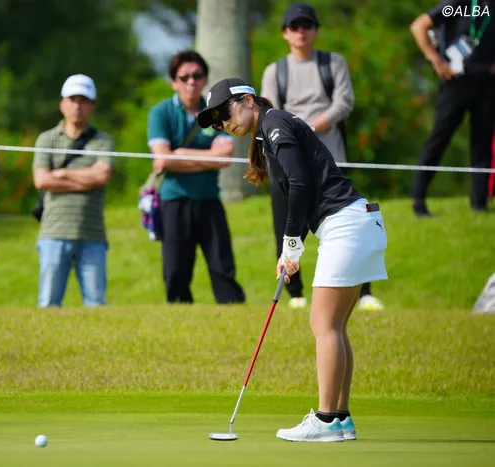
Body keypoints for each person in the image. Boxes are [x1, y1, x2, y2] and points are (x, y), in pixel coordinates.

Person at [197, 78, 388, 442]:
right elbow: (299, 189)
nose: (223, 123)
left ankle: (326, 420)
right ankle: (341, 419)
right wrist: (291, 249)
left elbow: (299, 183)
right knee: (335, 327)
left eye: (224, 112)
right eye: (216, 122)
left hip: (346, 225)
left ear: (247, 100)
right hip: (357, 223)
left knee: (323, 325)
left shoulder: (274, 121)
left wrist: (290, 241)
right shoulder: (266, 131)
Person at [260, 2, 384, 312]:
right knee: (285, 224)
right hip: (287, 158)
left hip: (329, 157)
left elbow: (344, 102)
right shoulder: (275, 71)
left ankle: (363, 292)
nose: (300, 31)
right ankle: (295, 293)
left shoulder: (334, 63)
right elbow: (269, 111)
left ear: (316, 30)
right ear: (284, 33)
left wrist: (309, 128)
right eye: (294, 26)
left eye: (307, 25)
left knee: (348, 224)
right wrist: (296, 134)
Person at [147, 50, 246, 305]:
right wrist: (207, 158)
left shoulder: (216, 112)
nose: (191, 81)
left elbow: (225, 158)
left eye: (197, 75)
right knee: (176, 269)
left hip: (210, 199)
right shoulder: (160, 113)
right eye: (184, 77)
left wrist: (181, 155)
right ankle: (179, 312)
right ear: (174, 82)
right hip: (174, 200)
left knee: (222, 265)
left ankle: (233, 310)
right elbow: (162, 160)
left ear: (205, 79)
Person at [31, 74, 115, 308]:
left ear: (92, 106)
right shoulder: (47, 139)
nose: (77, 106)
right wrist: (87, 180)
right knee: (48, 302)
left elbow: (102, 176)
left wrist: (63, 174)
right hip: (54, 230)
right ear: (62, 104)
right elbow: (41, 180)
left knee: (96, 302)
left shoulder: (103, 141)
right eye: (72, 100)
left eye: (83, 100)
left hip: (92, 233)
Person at [410, 0, 495, 216]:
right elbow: (419, 26)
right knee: (439, 139)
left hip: (487, 84)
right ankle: (418, 199)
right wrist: (435, 60)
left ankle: (479, 204)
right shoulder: (460, 4)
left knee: (482, 144)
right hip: (455, 81)